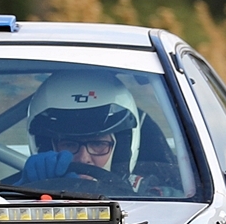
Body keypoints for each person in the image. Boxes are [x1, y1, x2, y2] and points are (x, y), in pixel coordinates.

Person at [8, 70, 154, 192]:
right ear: (47, 146)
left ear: (121, 147)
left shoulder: (153, 199)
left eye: (98, 145)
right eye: (70, 145)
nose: (83, 159)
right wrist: (21, 192)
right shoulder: (20, 196)